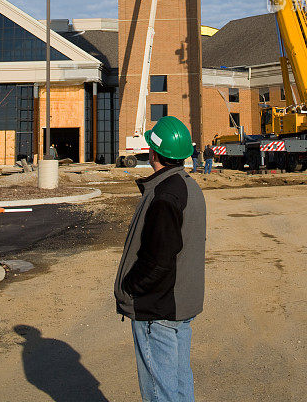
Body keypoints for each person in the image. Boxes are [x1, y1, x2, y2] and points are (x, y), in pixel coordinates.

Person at [114, 116, 206, 402]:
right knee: (178, 385)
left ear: (153, 152)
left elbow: (159, 260)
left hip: (158, 310)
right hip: (178, 307)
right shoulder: (188, 186)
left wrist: (131, 288)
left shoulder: (165, 196)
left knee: (161, 391)